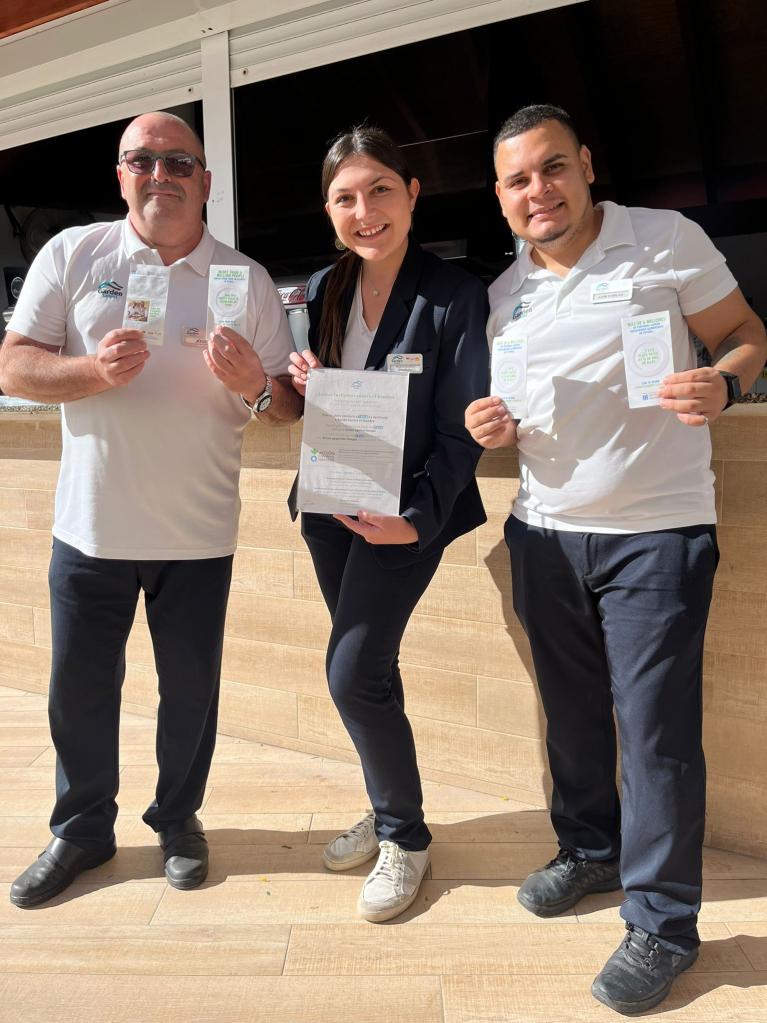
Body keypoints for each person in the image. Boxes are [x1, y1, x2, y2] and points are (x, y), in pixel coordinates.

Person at [465, 104, 767, 1014]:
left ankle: (664, 924)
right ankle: (589, 850)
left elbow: (745, 332)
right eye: (518, 180)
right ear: (501, 197)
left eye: (552, 168)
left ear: (585, 163)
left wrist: (724, 381)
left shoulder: (662, 239)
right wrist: (495, 427)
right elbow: (523, 413)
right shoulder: (503, 290)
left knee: (656, 732)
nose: (538, 190)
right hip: (543, 531)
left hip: (656, 533)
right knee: (571, 718)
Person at [0, 111, 301, 907]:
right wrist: (92, 373)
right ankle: (81, 827)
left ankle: (177, 817)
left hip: (198, 533)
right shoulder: (74, 255)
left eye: (178, 162)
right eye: (142, 161)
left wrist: (254, 385)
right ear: (121, 175)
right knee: (80, 690)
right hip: (90, 527)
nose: (159, 174)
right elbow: (16, 368)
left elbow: (284, 404)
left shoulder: (247, 279)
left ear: (206, 179)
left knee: (190, 692)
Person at [287, 126, 489, 922]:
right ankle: (386, 795)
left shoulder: (453, 294)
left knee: (349, 672)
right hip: (331, 510)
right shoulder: (322, 286)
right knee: (370, 669)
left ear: (411, 195)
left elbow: (457, 429)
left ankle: (404, 835)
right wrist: (305, 380)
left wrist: (415, 519)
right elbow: (327, 403)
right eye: (345, 197)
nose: (363, 210)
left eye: (378, 190)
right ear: (328, 209)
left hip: (404, 519)